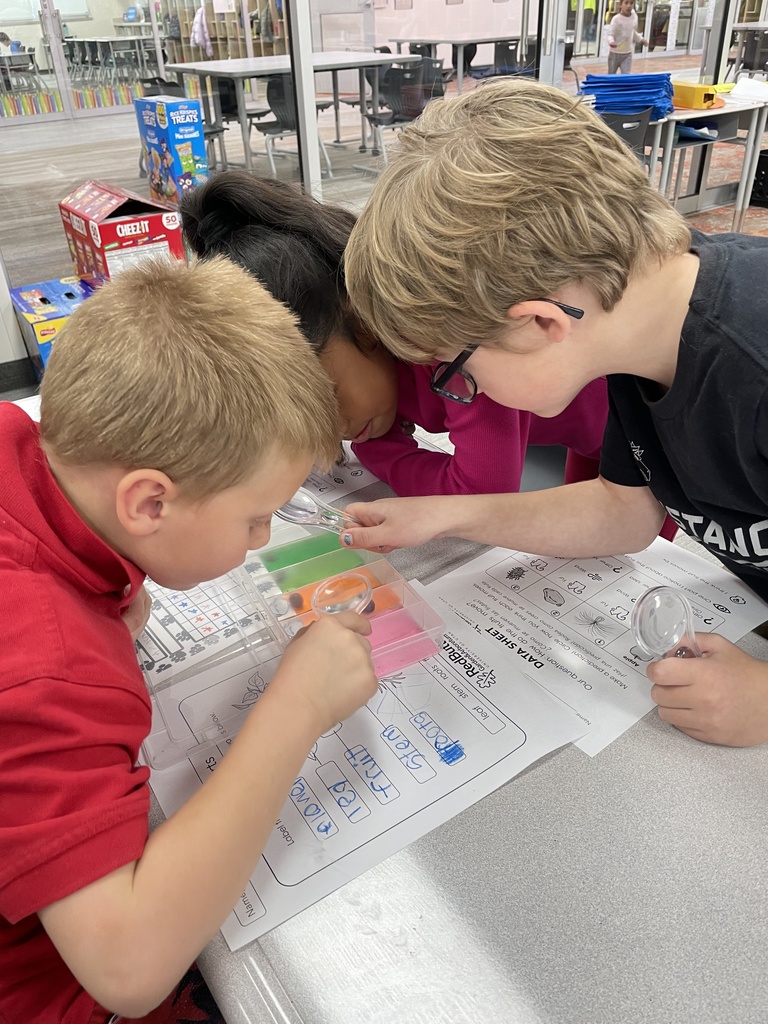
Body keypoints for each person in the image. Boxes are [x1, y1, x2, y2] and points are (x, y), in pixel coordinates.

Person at [0, 256, 377, 1024]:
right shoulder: (51, 667)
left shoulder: (23, 438)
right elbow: (127, 967)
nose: (264, 539)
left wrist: (111, 595)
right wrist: (298, 707)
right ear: (147, 502)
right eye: (254, 518)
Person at [341, 78, 768, 750]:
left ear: (540, 322)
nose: (461, 388)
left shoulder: (753, 362)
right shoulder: (633, 343)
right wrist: (447, 513)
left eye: (459, 371)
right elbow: (625, 513)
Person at [180, 170, 610, 499]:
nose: (334, 431)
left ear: (363, 321)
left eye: (327, 398)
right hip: (586, 437)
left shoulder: (451, 346)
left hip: (639, 434)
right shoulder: (374, 373)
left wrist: (378, 452)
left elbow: (481, 494)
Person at [606, 0, 647, 74]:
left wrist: (641, 40)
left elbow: (632, 32)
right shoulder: (616, 19)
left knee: (626, 75)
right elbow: (610, 34)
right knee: (611, 75)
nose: (629, 6)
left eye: (631, 3)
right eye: (626, 3)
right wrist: (611, 42)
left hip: (627, 54)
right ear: (620, 5)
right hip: (615, 53)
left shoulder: (634, 17)